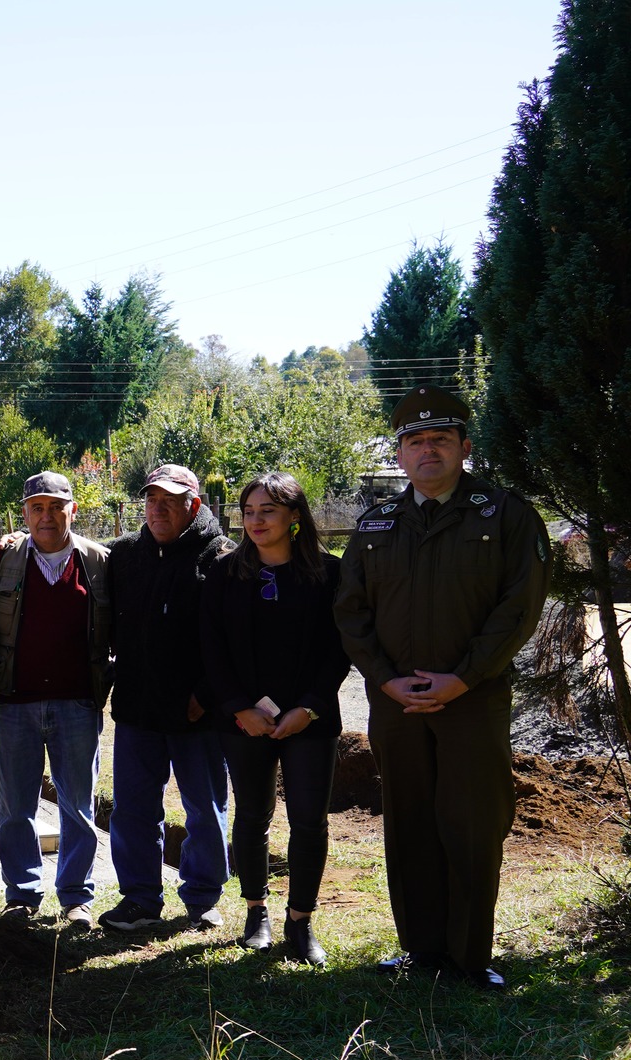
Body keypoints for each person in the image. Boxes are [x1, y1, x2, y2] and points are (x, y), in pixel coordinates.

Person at [335, 386, 549, 990]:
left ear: (464, 448)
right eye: (415, 441)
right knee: (409, 823)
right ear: (400, 455)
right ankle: (421, 949)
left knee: (472, 824)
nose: (427, 450)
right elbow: (351, 612)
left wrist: (464, 677)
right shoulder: (376, 524)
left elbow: (517, 610)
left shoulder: (506, 516)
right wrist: (385, 679)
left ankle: (469, 956)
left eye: (440, 439)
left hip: (472, 703)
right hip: (397, 704)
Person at [200, 474, 350, 964]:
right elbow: (211, 649)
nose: (256, 520)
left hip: (309, 718)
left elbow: (338, 649)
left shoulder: (329, 574)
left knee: (309, 821)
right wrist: (238, 708)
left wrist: (309, 708)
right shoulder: (224, 574)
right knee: (252, 816)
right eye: (248, 511)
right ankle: (256, 913)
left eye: (268, 510)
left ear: (294, 517)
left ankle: (300, 923)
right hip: (245, 721)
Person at [98, 464, 234, 935]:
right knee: (133, 809)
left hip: (197, 713)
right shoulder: (125, 556)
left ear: (193, 505)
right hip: (137, 708)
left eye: (170, 501)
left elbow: (232, 640)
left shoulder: (219, 558)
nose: (158, 508)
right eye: (152, 499)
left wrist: (207, 693)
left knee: (205, 809)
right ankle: (139, 899)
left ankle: (202, 898)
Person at [0, 472, 112, 925]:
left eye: (56, 506)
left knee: (78, 806)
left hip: (77, 704)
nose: (46, 516)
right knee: (17, 808)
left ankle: (76, 898)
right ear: (24, 512)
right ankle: (22, 894)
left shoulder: (98, 561)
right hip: (16, 704)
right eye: (37, 507)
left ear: (73, 510)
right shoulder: (5, 560)